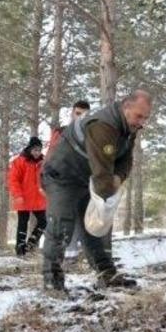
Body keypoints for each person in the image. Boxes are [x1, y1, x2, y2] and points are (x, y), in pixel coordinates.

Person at [41, 90, 152, 292]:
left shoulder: (128, 126)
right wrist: (110, 190)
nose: (142, 122)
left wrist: (117, 179)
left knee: (93, 228)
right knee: (61, 226)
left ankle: (106, 276)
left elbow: (125, 161)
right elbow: (102, 175)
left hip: (86, 178)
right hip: (62, 176)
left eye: (146, 117)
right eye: (139, 116)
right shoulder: (103, 126)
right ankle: (52, 281)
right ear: (126, 107)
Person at [8, 136, 47, 256]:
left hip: (39, 198)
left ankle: (31, 244)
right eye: (35, 150)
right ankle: (20, 249)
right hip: (23, 198)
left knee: (44, 221)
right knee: (23, 223)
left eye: (39, 150)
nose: (37, 152)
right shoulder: (19, 161)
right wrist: (17, 195)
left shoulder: (44, 162)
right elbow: (13, 180)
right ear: (30, 149)